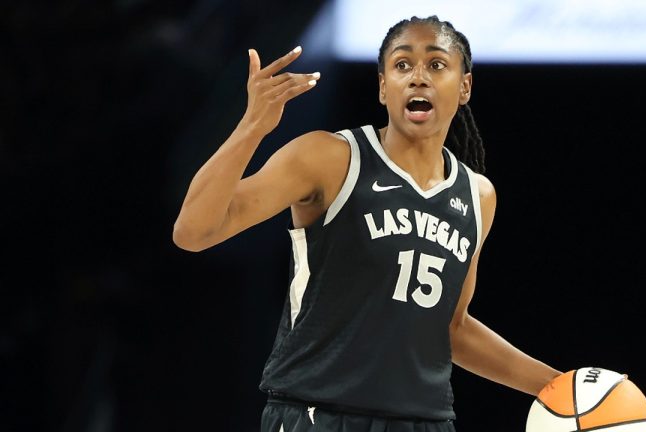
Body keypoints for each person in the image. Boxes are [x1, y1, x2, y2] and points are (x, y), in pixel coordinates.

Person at [173, 15, 561, 431]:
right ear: (382, 87)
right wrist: (251, 128)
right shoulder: (328, 157)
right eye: (401, 65)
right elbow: (194, 232)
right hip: (318, 413)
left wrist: (558, 386)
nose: (417, 77)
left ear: (464, 86)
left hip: (424, 422)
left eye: (435, 64)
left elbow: (453, 326)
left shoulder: (478, 195)